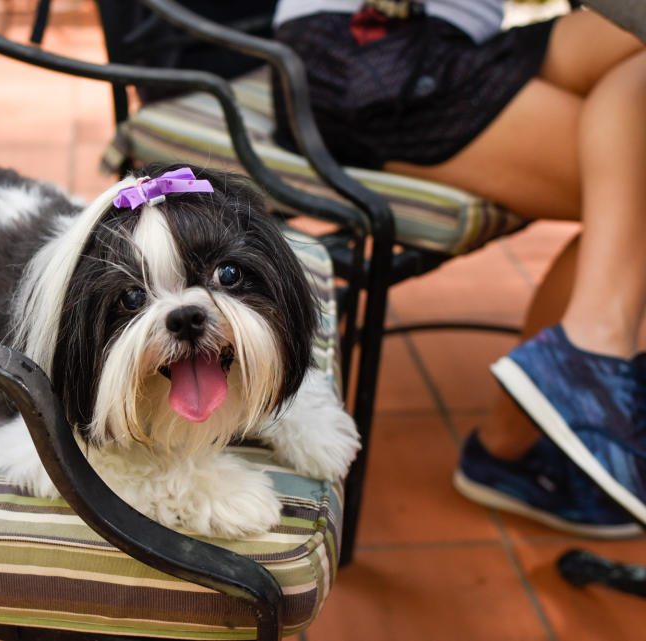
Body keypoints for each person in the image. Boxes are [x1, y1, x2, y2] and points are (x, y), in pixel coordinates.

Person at [271, 0, 646, 537]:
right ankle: (568, 378)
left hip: (456, 47)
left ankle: (572, 373)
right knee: (634, 195)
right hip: (360, 51)